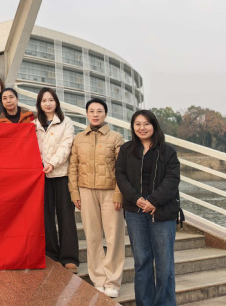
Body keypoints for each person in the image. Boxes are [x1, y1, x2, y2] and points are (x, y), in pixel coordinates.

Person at [116, 110, 181, 306]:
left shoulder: (167, 151)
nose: (142, 128)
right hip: (135, 212)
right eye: (138, 124)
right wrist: (136, 199)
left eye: (146, 124)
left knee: (164, 264)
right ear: (133, 127)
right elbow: (120, 176)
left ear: (154, 126)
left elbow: (172, 179)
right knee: (142, 261)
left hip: (162, 212)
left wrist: (153, 201)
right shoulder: (126, 149)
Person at [68, 98, 125, 298]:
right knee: (92, 236)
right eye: (91, 111)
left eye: (99, 111)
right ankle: (98, 279)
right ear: (86, 114)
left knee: (114, 237)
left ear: (105, 114)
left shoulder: (116, 138)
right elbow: (73, 167)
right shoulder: (78, 138)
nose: (95, 114)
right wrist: (74, 192)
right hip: (86, 191)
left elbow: (122, 169)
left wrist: (119, 193)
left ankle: (113, 281)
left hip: (110, 192)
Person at [34, 88, 79, 273]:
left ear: (56, 102)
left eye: (51, 100)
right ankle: (51, 253)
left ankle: (69, 257)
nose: (48, 103)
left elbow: (66, 145)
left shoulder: (66, 122)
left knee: (66, 215)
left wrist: (52, 163)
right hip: (41, 176)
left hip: (61, 174)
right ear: (39, 104)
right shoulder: (34, 124)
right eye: (44, 100)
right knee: (46, 216)